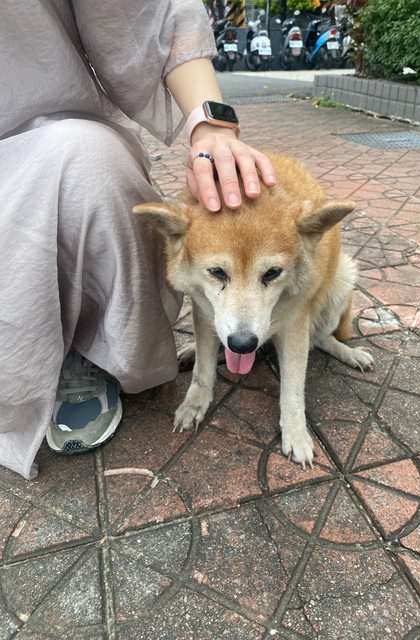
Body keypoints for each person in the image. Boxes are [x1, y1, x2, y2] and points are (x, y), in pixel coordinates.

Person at [0, 1, 276, 480]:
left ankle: (87, 343)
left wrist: (211, 125)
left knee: (91, 166)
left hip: (51, 129)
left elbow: (151, 11)